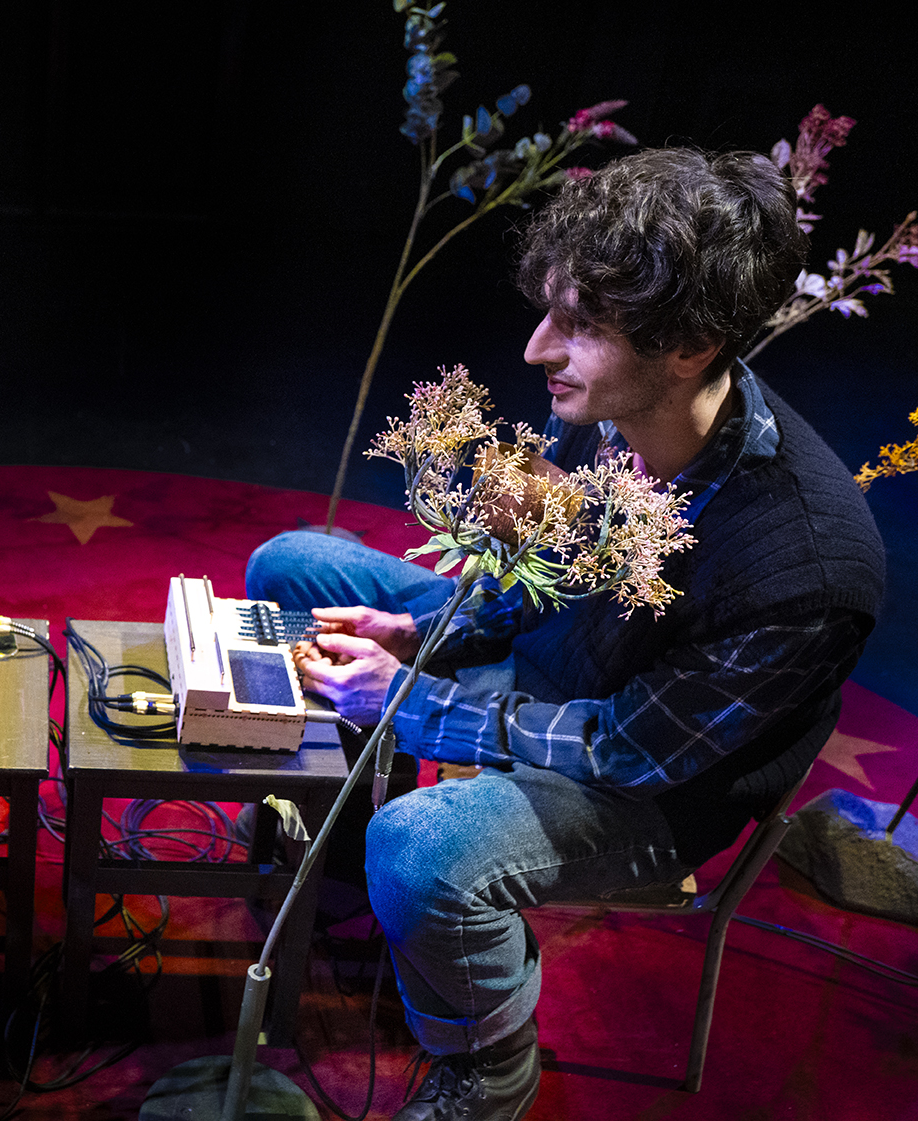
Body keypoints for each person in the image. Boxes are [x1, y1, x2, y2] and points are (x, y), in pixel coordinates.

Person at [246, 148, 885, 1120]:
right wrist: (416, 634)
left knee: (420, 844)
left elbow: (628, 749)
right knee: (291, 566)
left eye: (581, 326)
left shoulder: (804, 562)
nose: (535, 349)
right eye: (550, 310)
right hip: (550, 677)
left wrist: (408, 701)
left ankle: (489, 1062)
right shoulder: (614, 411)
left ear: (691, 345)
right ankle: (345, 870)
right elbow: (534, 588)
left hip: (651, 791)